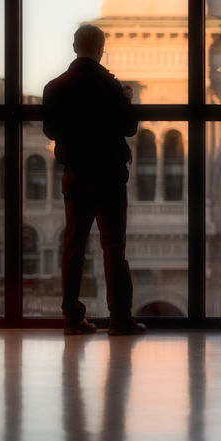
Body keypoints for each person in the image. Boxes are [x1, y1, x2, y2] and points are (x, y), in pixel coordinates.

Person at [42, 24, 146, 336]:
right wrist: (127, 100)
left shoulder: (55, 88)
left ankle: (72, 317)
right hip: (109, 176)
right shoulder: (112, 88)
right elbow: (129, 128)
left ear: (75, 47)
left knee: (73, 244)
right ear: (101, 49)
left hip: (75, 174)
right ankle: (119, 318)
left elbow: (50, 131)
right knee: (113, 246)